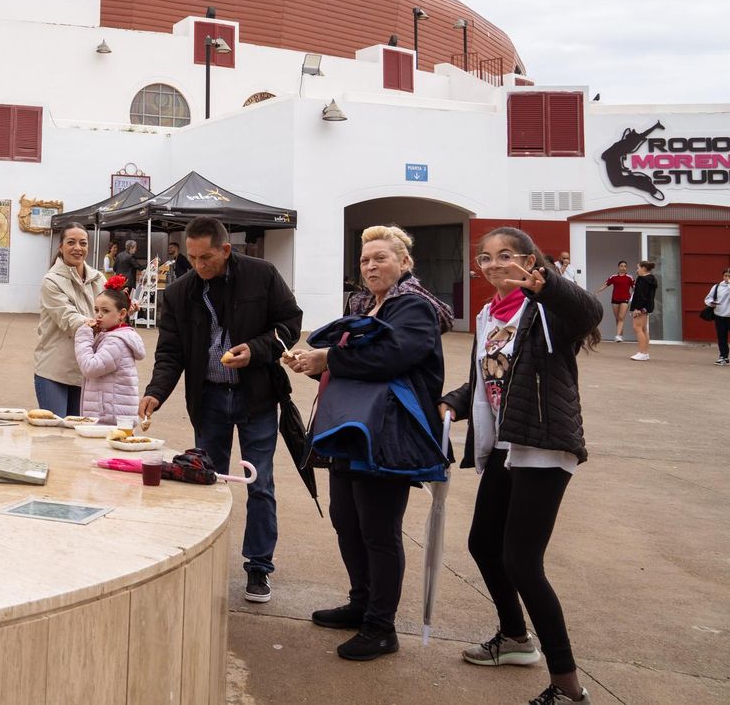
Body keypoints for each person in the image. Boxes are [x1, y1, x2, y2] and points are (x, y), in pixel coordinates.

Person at [441, 226, 603, 705]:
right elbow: (484, 380)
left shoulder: (548, 310)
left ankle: (568, 687)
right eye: (486, 258)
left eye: (506, 256)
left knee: (522, 561)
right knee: (483, 545)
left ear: (531, 261)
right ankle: (514, 639)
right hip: (507, 446)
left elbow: (589, 311)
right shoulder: (489, 314)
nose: (494, 265)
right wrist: (450, 403)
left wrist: (546, 285)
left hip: (545, 445)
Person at [288, 225, 450, 662]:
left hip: (387, 433)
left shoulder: (414, 307)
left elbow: (388, 358)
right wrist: (311, 363)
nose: (372, 265)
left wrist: (331, 357)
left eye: (381, 257)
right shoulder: (364, 305)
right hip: (350, 430)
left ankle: (381, 626)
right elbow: (353, 365)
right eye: (365, 260)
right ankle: (361, 601)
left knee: (379, 530)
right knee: (346, 519)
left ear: (404, 262)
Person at [141, 216, 303, 605]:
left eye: (207, 258)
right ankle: (205, 562)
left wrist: (257, 350)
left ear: (226, 250)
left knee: (259, 482)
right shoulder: (180, 291)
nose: (199, 266)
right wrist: (155, 393)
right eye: (192, 258)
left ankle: (259, 567)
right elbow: (170, 352)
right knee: (205, 482)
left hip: (257, 396)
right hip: (209, 399)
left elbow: (290, 323)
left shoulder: (262, 275)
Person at [36, 223, 105, 417]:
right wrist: (95, 323)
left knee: (80, 436)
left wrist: (124, 310)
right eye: (71, 242)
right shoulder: (51, 281)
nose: (78, 248)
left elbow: (109, 309)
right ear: (61, 247)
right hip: (54, 371)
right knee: (54, 434)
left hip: (87, 370)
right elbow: (68, 318)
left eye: (83, 243)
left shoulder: (98, 278)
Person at [73, 275, 146, 420]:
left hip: (110, 418)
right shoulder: (111, 335)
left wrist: (83, 335)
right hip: (110, 414)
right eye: (96, 310)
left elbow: (90, 367)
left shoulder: (116, 342)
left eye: (105, 311)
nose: (99, 315)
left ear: (122, 314)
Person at [628, 260, 659, 361]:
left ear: (644, 268)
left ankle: (642, 353)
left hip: (641, 308)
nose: (637, 270)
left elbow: (641, 295)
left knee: (637, 328)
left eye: (638, 268)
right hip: (647, 307)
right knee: (644, 329)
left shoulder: (643, 280)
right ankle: (645, 352)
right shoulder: (651, 279)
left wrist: (638, 308)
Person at [601, 262, 633, 342]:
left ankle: (618, 335)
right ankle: (621, 335)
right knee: (617, 318)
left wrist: (634, 297)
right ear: (618, 267)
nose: (623, 267)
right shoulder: (614, 277)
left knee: (621, 317)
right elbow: (606, 284)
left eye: (625, 266)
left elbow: (635, 287)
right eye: (621, 266)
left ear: (626, 268)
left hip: (625, 299)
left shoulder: (629, 277)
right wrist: (597, 292)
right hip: (615, 299)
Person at [706, 268, 730, 366]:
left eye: (729, 276)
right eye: (725, 275)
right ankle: (723, 356)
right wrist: (711, 303)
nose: (727, 278)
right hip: (719, 315)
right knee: (722, 337)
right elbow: (708, 298)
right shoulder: (717, 287)